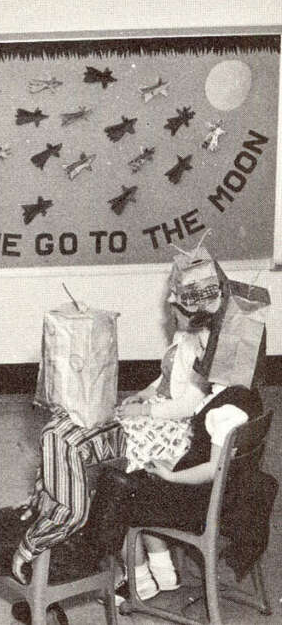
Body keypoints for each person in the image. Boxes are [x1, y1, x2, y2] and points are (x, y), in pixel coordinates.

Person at [111, 243, 269, 602]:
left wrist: (169, 476)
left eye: (206, 347)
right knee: (133, 478)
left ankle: (137, 579)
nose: (200, 354)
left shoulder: (221, 408)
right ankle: (163, 572)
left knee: (119, 489)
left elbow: (211, 469)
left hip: (195, 496)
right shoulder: (243, 397)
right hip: (215, 492)